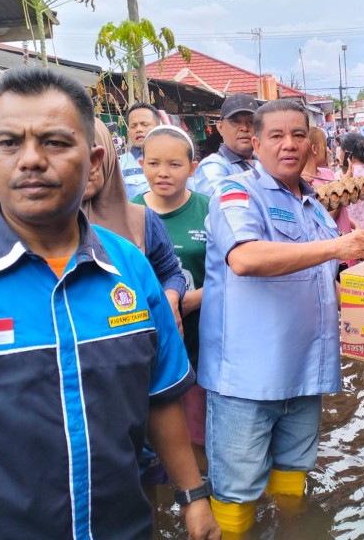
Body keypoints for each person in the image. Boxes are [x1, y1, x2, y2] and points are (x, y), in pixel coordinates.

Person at [0, 68, 219, 540]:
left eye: (55, 142)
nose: (32, 160)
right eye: (10, 143)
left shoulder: (130, 269)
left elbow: (159, 397)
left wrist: (192, 495)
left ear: (94, 160)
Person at [199, 99, 364, 534]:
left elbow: (326, 283)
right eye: (277, 136)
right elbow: (245, 258)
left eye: (299, 135)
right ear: (257, 142)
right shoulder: (237, 193)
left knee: (293, 478)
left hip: (306, 372)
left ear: (311, 142)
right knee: (236, 491)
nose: (289, 144)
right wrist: (338, 248)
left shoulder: (315, 208)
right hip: (247, 380)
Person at [132, 124, 210, 473]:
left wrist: (192, 300)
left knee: (199, 432)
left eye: (175, 164)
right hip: (148, 344)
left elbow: (233, 274)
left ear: (193, 168)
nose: (162, 173)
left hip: (203, 340)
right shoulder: (128, 214)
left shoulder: (209, 210)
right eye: (153, 163)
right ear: (141, 164)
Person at [83, 119, 185, 331]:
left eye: (93, 154)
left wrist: (170, 300)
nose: (87, 166)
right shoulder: (41, 228)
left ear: (106, 156)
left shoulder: (143, 219)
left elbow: (171, 274)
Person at [193, 94, 259, 196]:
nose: (244, 128)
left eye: (251, 122)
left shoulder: (262, 164)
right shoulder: (212, 166)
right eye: (235, 122)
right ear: (220, 128)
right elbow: (225, 205)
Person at [120, 102, 161, 199]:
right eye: (133, 126)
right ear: (128, 132)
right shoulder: (119, 164)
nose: (139, 129)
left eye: (144, 124)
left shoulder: (174, 159)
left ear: (158, 128)